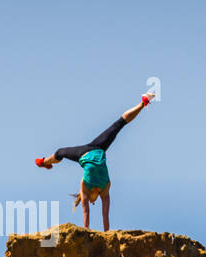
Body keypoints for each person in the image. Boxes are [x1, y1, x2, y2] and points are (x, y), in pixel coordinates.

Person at [35, 92, 156, 230]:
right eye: (94, 202)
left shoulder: (85, 188)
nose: (93, 202)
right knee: (118, 125)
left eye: (92, 202)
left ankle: (44, 162)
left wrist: (87, 233)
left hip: (83, 153)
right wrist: (107, 234)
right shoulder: (105, 189)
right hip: (99, 149)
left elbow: (86, 214)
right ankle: (143, 102)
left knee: (59, 152)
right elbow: (105, 216)